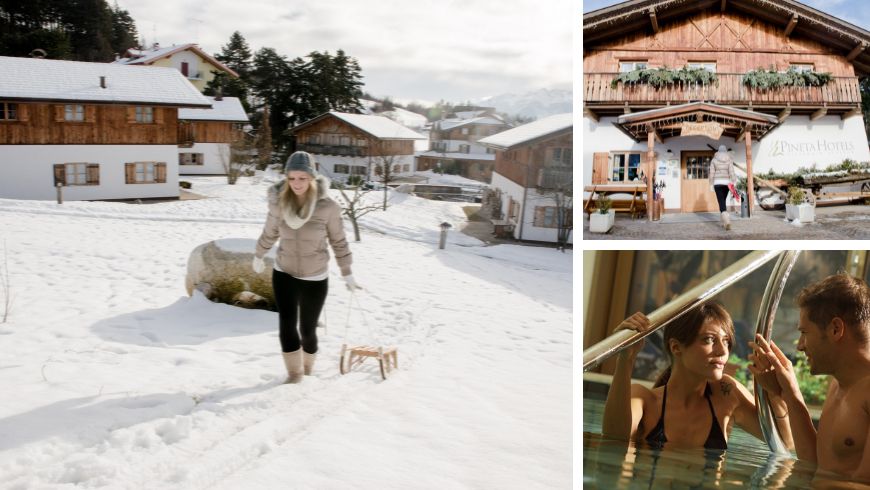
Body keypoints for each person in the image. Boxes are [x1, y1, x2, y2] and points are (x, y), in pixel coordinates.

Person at [602, 303, 793, 450]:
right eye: (709, 340)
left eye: (726, 341)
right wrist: (625, 359)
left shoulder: (727, 395)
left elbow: (786, 442)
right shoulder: (643, 400)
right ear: (676, 347)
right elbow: (614, 441)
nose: (723, 351)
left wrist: (773, 392)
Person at [252, 151, 362, 384]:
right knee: (286, 324)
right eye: (291, 178)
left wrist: (347, 272)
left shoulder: (327, 207)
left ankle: (308, 369)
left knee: (308, 330)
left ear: (312, 177)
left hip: (315, 277)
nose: (297, 184)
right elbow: (270, 232)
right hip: (284, 272)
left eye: (302, 178)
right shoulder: (279, 203)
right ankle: (294, 375)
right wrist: (259, 254)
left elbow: (339, 241)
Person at [749, 273, 870, 481]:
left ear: (835, 329)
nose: (799, 345)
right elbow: (814, 463)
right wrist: (789, 392)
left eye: (804, 333)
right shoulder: (839, 383)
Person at [708, 145, 735, 231]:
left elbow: (711, 173)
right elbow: (731, 172)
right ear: (726, 151)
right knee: (723, 201)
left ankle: (726, 220)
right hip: (726, 183)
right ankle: (723, 221)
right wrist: (733, 181)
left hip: (717, 183)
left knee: (721, 202)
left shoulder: (714, 160)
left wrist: (711, 184)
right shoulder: (729, 159)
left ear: (718, 151)